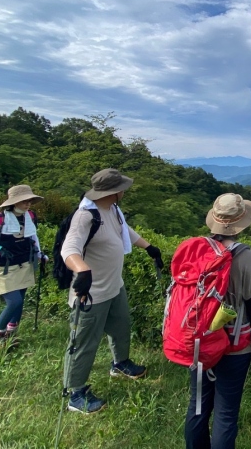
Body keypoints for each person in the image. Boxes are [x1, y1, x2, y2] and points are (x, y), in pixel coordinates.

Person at [61, 168, 165, 414]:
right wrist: (82, 271)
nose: (125, 192)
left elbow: (124, 230)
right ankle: (75, 392)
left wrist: (148, 247)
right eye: (122, 188)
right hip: (91, 294)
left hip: (114, 286)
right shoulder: (85, 216)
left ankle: (120, 364)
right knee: (84, 342)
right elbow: (69, 249)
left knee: (121, 327)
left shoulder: (112, 210)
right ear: (114, 192)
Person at [185, 193, 251, 449]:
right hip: (233, 344)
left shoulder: (197, 250)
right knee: (226, 413)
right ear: (241, 223)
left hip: (198, 340)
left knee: (197, 406)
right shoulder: (245, 256)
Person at [0, 184, 47, 347]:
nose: (27, 204)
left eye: (29, 201)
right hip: (2, 266)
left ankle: (11, 335)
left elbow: (33, 236)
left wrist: (39, 254)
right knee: (14, 302)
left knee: (21, 299)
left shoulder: (31, 216)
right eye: (23, 201)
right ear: (13, 202)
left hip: (24, 263)